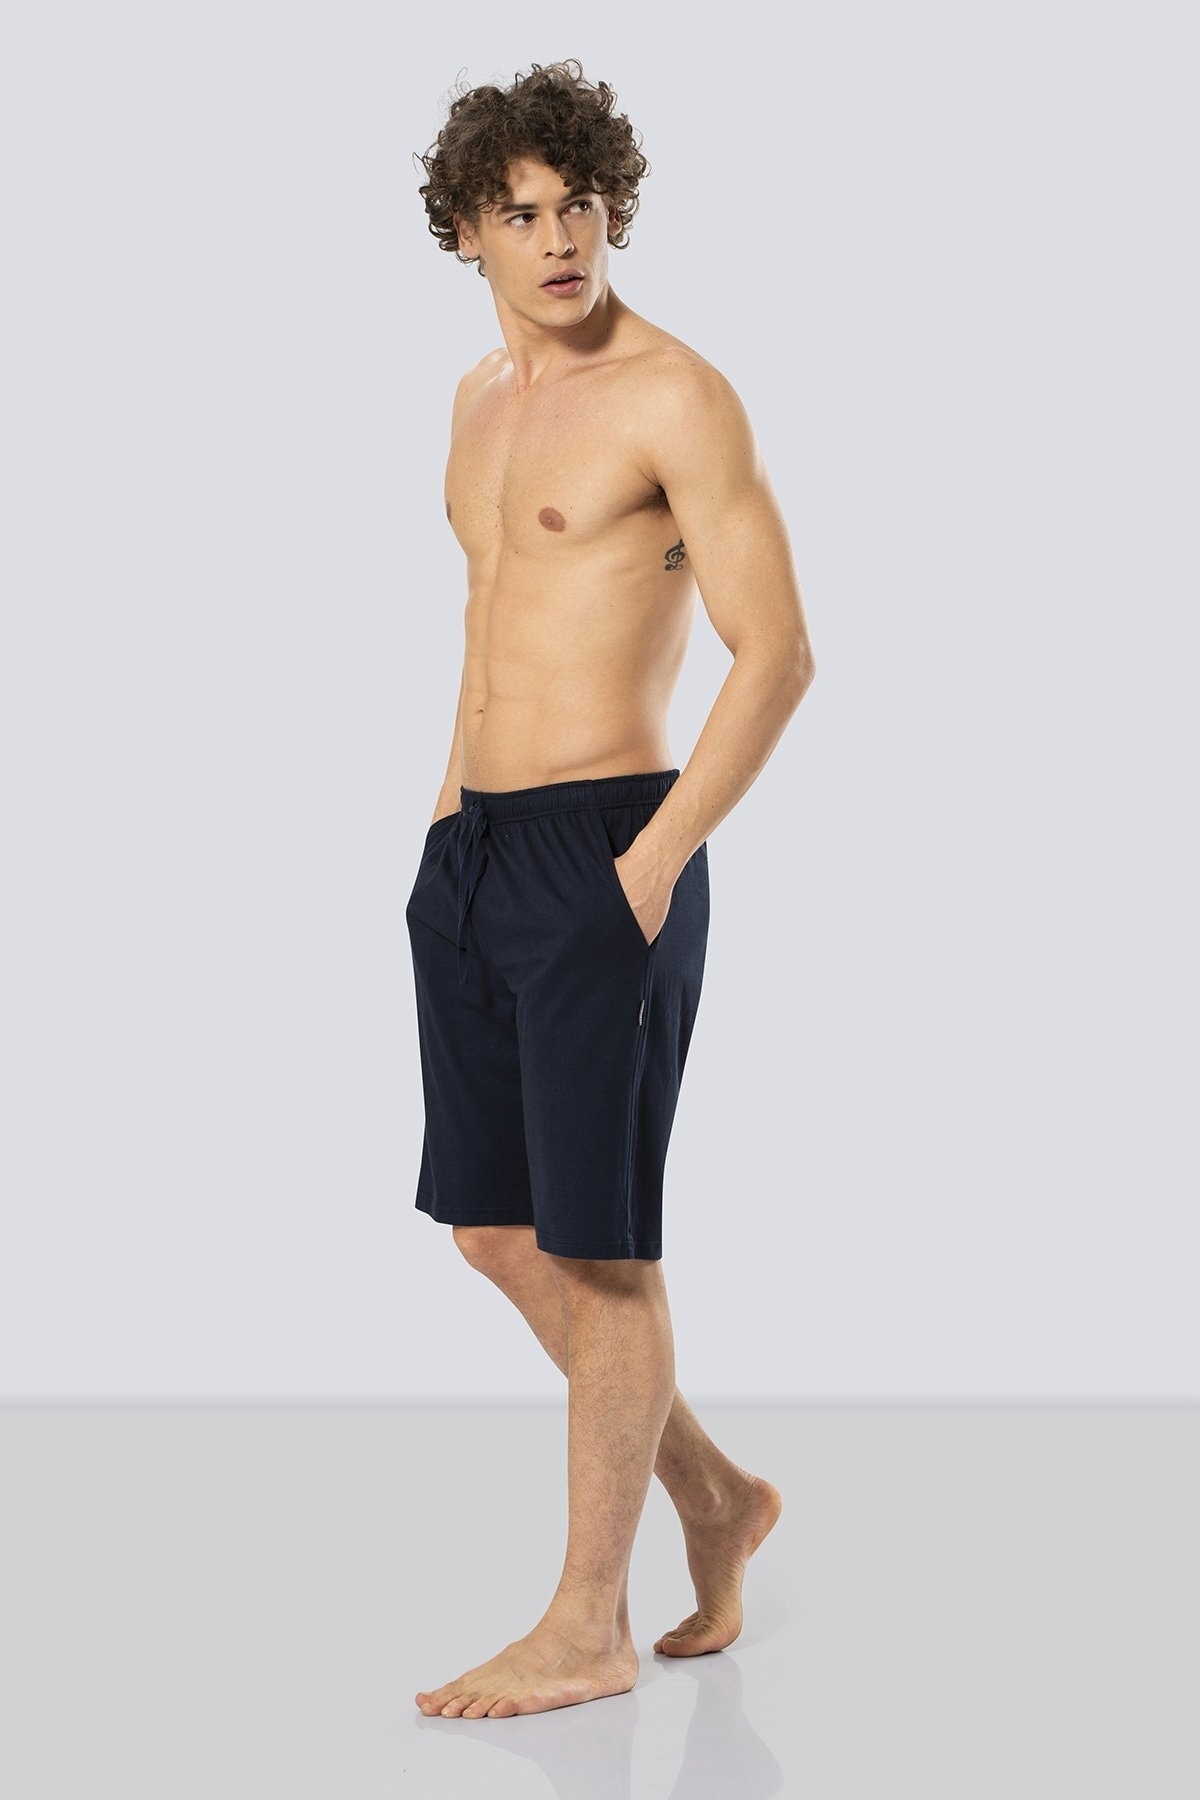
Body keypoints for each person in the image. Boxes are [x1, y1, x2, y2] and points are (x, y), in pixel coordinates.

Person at [406, 59, 815, 1721]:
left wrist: (649, 868)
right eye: (521, 214)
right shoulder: (476, 401)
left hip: (607, 849)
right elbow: (490, 627)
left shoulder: (676, 396)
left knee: (602, 1252)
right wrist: (444, 830)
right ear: (467, 234)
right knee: (494, 1229)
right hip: (476, 850)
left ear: (612, 209)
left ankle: (589, 1622)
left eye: (579, 204)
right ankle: (716, 1496)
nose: (560, 238)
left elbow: (776, 654)